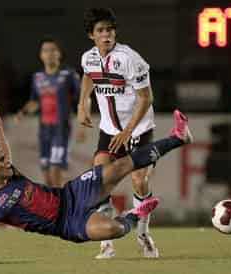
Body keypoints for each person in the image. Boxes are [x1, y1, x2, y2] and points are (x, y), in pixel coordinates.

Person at [0, 106, 192, 264]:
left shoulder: (10, 173)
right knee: (112, 229)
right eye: (1, 160)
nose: (7, 160)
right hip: (68, 225)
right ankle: (135, 213)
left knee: (118, 167)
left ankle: (178, 137)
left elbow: (4, 150)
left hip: (71, 193)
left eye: (5, 157)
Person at [77, 8, 158, 258]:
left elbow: (146, 98)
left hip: (139, 130)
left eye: (109, 29)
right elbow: (89, 76)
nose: (106, 35)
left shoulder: (130, 58)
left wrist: (129, 131)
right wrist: (83, 104)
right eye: (100, 31)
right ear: (91, 35)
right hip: (109, 131)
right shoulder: (88, 58)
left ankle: (143, 234)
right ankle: (107, 241)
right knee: (98, 181)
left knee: (139, 180)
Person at [15, 37, 82, 187]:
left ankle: (62, 208)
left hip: (61, 130)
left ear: (59, 53)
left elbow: (83, 99)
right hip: (44, 131)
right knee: (47, 178)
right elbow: (35, 102)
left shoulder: (68, 75)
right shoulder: (37, 77)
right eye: (46, 50)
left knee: (55, 171)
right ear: (41, 55)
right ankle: (56, 206)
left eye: (53, 50)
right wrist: (23, 112)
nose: (50, 53)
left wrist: (82, 125)